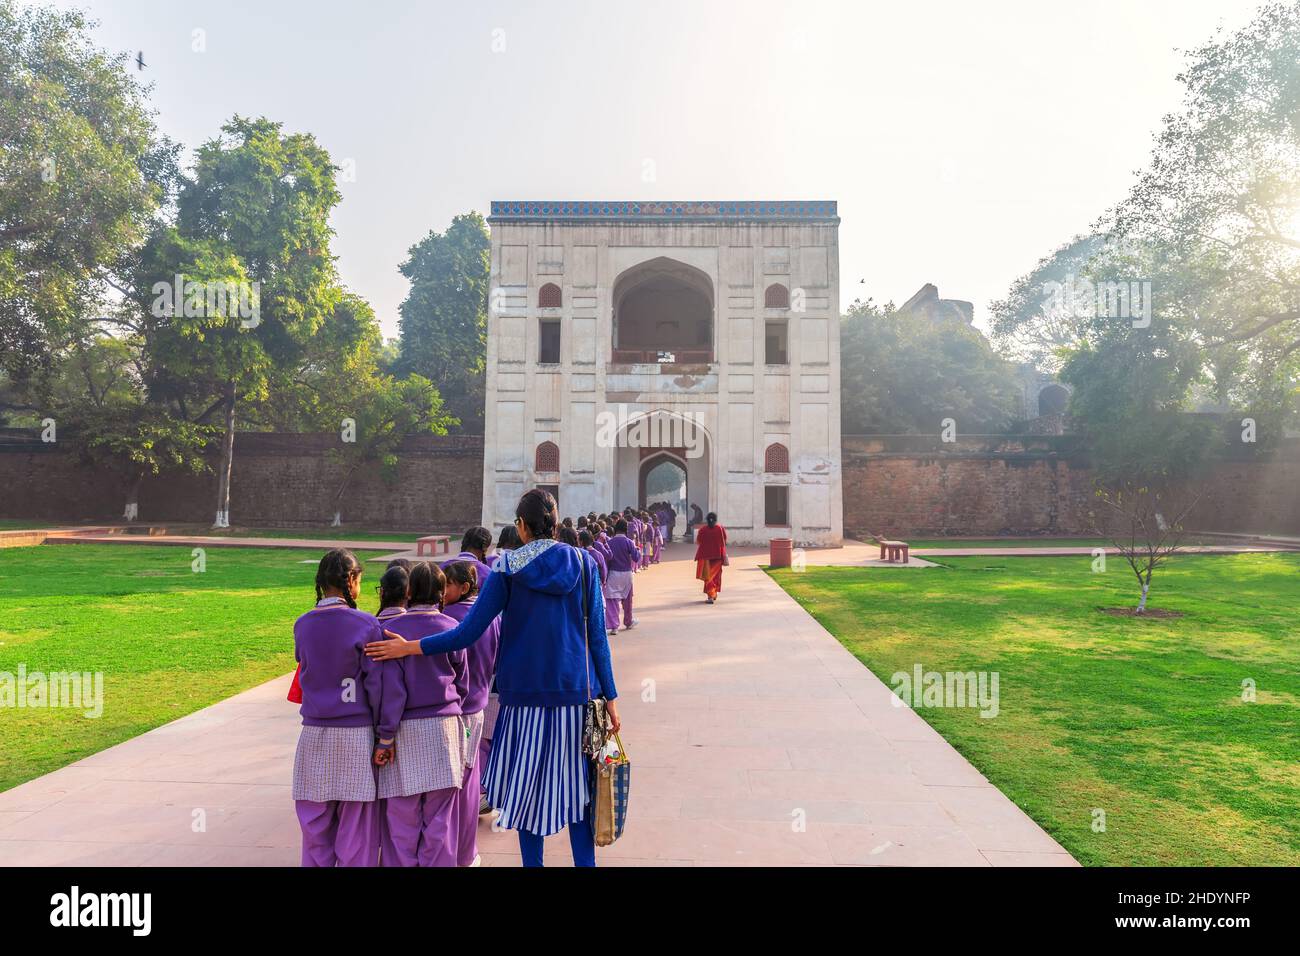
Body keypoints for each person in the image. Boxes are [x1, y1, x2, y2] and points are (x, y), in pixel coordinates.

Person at [365, 488, 620, 868]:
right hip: (576, 700)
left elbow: (466, 633)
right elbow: (598, 638)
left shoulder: (508, 569)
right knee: (579, 796)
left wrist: (411, 647)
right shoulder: (582, 565)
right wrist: (611, 698)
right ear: (554, 523)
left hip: (524, 702)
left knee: (526, 800)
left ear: (521, 527)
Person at [292, 549, 392, 867]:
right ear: (351, 580)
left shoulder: (303, 625)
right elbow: (377, 686)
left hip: (314, 736)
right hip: (355, 736)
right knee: (356, 831)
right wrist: (385, 735)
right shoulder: (366, 624)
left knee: (315, 827)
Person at [375, 562, 467, 867]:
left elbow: (392, 692)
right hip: (445, 727)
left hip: (405, 730)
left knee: (402, 817)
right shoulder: (451, 628)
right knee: (440, 818)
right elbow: (462, 681)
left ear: (409, 591)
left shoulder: (392, 631)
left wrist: (385, 736)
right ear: (441, 592)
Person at [441, 560, 501, 865]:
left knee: (447, 787)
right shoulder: (491, 618)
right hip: (479, 704)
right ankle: (465, 851)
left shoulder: (446, 619)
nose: (441, 591)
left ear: (463, 587)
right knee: (469, 776)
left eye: (446, 585)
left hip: (452, 711)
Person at [604, 518, 641, 634]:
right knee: (627, 599)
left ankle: (614, 626)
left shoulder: (609, 542)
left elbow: (607, 560)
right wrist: (637, 550)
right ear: (626, 529)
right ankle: (628, 621)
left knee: (612, 600)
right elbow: (636, 558)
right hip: (626, 573)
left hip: (613, 573)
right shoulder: (629, 542)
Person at [693, 511, 727, 604]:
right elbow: (724, 540)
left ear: (707, 520)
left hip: (705, 557)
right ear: (715, 520)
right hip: (718, 557)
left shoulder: (703, 529)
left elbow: (699, 541)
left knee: (708, 577)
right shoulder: (720, 528)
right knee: (715, 576)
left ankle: (711, 596)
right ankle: (714, 593)